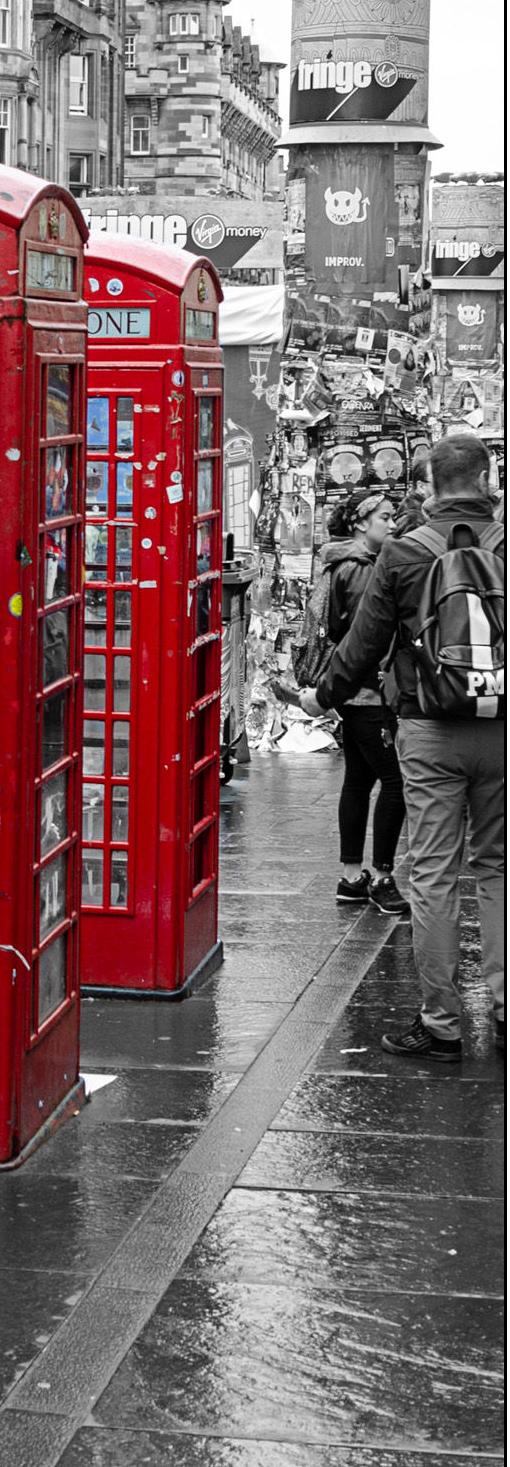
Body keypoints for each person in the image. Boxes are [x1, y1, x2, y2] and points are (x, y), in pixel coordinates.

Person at [306, 434, 505, 1060]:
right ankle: (503, 1006)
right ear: (488, 477)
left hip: (427, 729)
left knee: (434, 875)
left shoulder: (403, 552)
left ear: (429, 483)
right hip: (501, 729)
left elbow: (362, 646)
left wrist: (321, 696)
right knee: (497, 868)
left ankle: (443, 1023)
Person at [316, 491, 408, 916]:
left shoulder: (353, 563)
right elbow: (362, 637)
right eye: (385, 518)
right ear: (360, 523)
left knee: (358, 779)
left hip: (354, 691)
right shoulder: (359, 570)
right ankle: (382, 877)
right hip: (366, 692)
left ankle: (353, 878)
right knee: (396, 782)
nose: (392, 525)